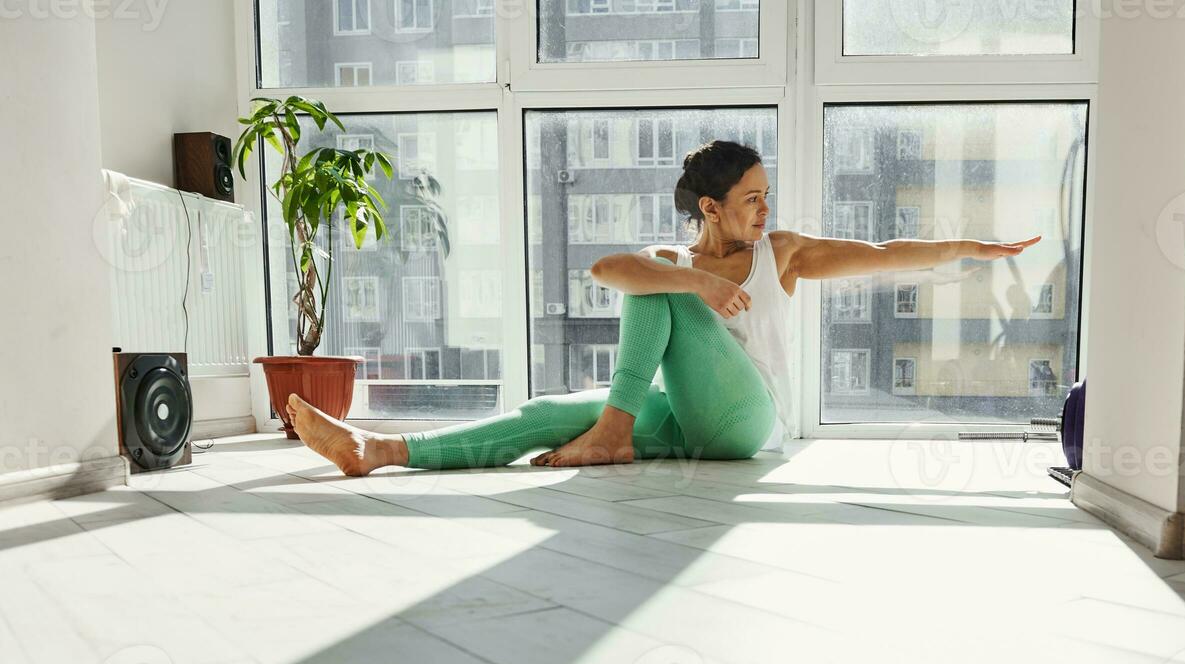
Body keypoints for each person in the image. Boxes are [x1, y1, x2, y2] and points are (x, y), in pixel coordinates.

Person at [285, 139, 1040, 474]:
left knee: (660, 283)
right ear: (710, 207)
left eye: (764, 196)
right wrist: (700, 280)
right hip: (684, 416)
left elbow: (881, 255)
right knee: (546, 411)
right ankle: (377, 451)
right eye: (750, 199)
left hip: (747, 421)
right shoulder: (676, 261)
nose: (762, 209)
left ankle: (612, 432)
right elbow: (604, 267)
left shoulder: (785, 253)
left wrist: (969, 246)